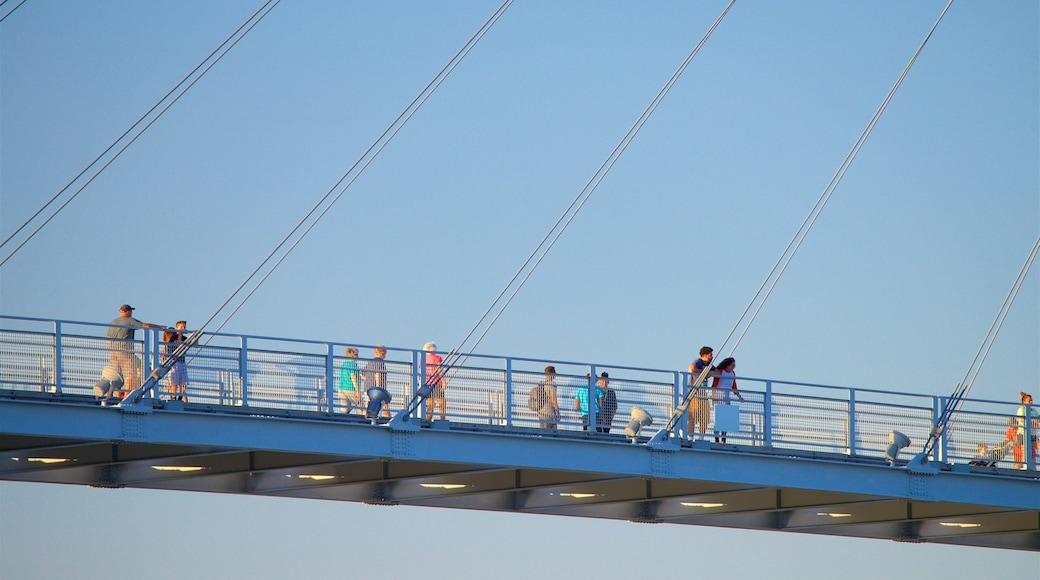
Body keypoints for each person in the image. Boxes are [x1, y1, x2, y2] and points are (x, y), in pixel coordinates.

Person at [106, 304, 163, 396]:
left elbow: (109, 338)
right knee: (131, 374)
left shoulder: (113, 322)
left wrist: (111, 350)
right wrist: (160, 327)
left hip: (113, 352)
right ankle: (126, 396)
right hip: (125, 351)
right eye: (131, 311)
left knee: (116, 375)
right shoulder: (129, 320)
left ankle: (111, 394)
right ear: (128, 311)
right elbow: (145, 325)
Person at [711, 357, 745, 443]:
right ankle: (717, 439)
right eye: (732, 365)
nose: (734, 367)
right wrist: (713, 395)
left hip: (727, 398)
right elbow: (714, 384)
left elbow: (734, 386)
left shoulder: (732, 373)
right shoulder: (720, 371)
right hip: (718, 398)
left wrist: (739, 397)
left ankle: (723, 439)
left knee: (725, 418)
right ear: (727, 365)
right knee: (718, 418)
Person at [686, 346, 715, 440]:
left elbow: (717, 371)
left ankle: (701, 437)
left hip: (703, 395)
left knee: (705, 417)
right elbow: (691, 368)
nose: (712, 356)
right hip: (695, 393)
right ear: (705, 355)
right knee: (693, 416)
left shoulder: (709, 365)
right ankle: (690, 436)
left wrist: (710, 373)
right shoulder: (698, 362)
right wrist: (704, 372)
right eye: (710, 355)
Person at [162, 320, 189, 401]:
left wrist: (195, 336)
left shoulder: (185, 338)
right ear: (177, 328)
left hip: (182, 362)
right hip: (174, 362)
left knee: (183, 383)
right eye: (181, 327)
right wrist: (180, 333)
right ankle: (173, 397)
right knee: (174, 383)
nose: (183, 328)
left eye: (184, 327)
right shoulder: (173, 338)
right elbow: (177, 344)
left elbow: (195, 345)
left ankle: (181, 397)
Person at [363, 345, 390, 417]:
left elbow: (362, 374)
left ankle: (364, 419)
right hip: (377, 390)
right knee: (385, 406)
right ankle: (389, 420)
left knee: (367, 406)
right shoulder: (380, 362)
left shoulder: (371, 362)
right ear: (383, 353)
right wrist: (378, 387)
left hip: (368, 388)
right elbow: (377, 374)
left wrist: (368, 380)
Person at [423, 342, 447, 421]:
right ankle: (442, 420)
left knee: (430, 404)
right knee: (442, 403)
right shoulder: (437, 358)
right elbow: (439, 369)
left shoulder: (423, 359)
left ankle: (428, 419)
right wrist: (443, 381)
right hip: (437, 382)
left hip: (427, 383)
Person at [1016, 391, 1039, 468]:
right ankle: (1024, 466)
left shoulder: (1034, 411)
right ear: (1024, 401)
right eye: (1029, 400)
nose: (1031, 402)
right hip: (1023, 434)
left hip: (1032, 434)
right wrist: (1033, 421)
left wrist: (1036, 421)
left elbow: (1038, 420)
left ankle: (1031, 466)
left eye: (1031, 400)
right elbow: (1022, 420)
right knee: (1025, 451)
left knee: (1037, 447)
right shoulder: (1021, 410)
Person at [534, 365, 561, 430]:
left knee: (543, 433)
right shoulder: (552, 384)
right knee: (552, 433)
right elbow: (553, 399)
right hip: (549, 412)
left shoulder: (539, 384)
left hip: (541, 412)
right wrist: (558, 412)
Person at [338, 347, 361, 414]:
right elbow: (353, 377)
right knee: (360, 406)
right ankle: (362, 420)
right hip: (351, 389)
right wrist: (358, 390)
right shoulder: (353, 364)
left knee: (345, 407)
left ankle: (342, 419)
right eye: (356, 355)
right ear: (352, 355)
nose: (358, 357)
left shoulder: (344, 364)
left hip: (342, 388)